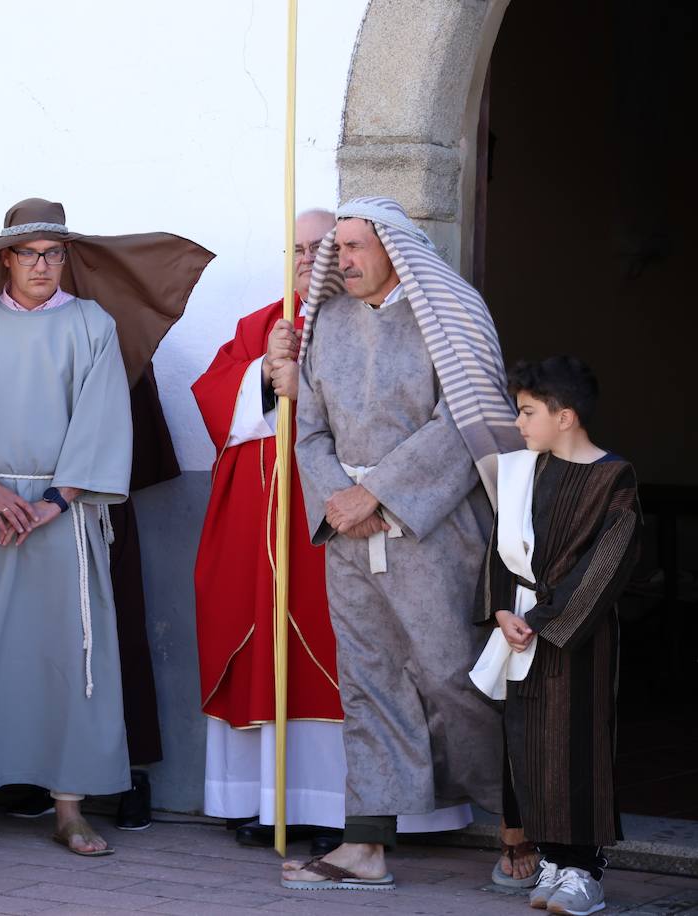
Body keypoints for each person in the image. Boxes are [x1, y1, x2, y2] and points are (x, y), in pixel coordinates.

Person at [0, 198, 212, 858]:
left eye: (53, 253)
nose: (42, 265)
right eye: (29, 253)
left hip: (65, 515)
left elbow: (103, 418)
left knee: (72, 655)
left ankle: (70, 809)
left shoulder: (92, 324)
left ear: (67, 258)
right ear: (5, 259)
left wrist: (55, 501)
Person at [194, 209, 473, 855]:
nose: (312, 260)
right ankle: (289, 805)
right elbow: (218, 401)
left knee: (404, 665)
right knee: (306, 658)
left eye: (325, 247)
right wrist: (263, 377)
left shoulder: (400, 316)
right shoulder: (266, 324)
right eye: (298, 249)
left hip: (373, 516)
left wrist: (374, 489)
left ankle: (409, 815)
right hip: (285, 520)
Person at [283, 197, 520, 890]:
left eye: (356, 245)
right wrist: (340, 498)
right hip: (347, 532)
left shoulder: (448, 316)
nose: (342, 258)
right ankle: (365, 843)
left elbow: (463, 421)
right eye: (339, 247)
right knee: (368, 681)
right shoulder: (327, 320)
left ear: (396, 249)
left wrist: (380, 494)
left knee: (457, 675)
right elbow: (310, 429)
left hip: (435, 530)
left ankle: (518, 822)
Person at [472, 357, 641, 915]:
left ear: (564, 416)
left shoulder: (613, 477)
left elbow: (609, 560)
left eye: (527, 412)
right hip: (518, 626)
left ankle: (583, 871)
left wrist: (549, 622)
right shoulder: (524, 471)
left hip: (577, 637)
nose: (518, 423)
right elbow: (500, 549)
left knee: (577, 744)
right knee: (527, 743)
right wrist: (502, 610)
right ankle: (551, 859)